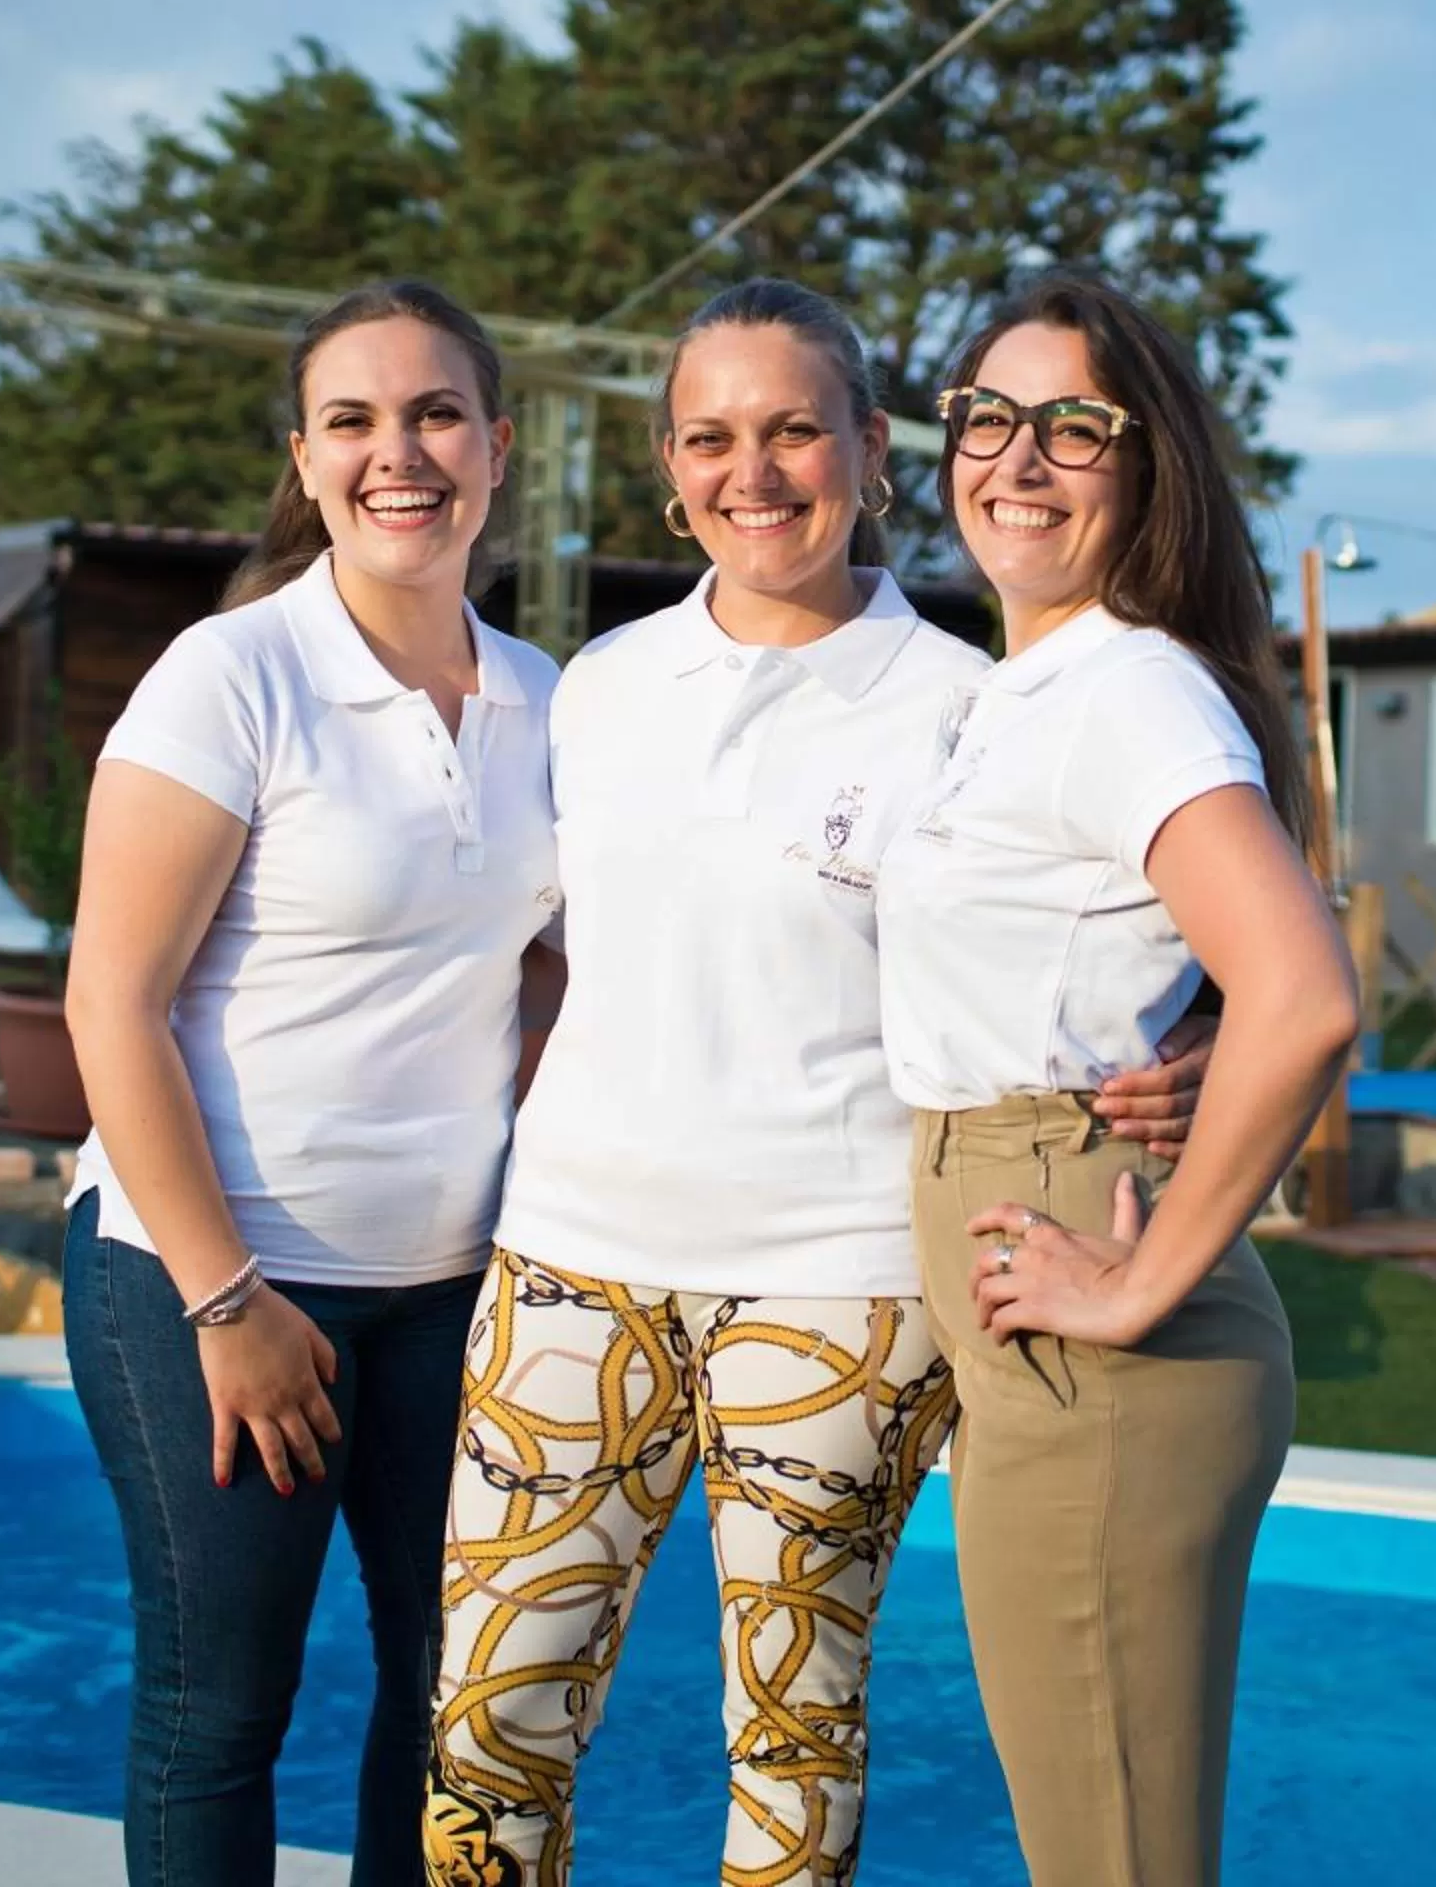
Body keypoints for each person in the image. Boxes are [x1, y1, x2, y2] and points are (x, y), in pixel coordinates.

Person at [421, 278, 1212, 1887]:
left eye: (795, 431)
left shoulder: (972, 704)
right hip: (569, 1261)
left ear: (870, 447)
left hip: (840, 1292)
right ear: (668, 463)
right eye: (713, 438)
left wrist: (1179, 1039)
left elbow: (1133, 917)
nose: (755, 473)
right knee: (483, 1743)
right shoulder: (596, 689)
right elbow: (552, 948)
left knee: (793, 1750)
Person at [60, 278, 564, 1887]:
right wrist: (229, 1302)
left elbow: (555, 961)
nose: (395, 453)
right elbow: (109, 1002)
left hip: (451, 1298)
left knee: (452, 1702)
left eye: (433, 414)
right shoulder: (232, 677)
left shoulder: (552, 702)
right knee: (221, 1712)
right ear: (305, 454)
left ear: (498, 445)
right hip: (207, 1277)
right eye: (352, 420)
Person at [875, 269, 1360, 1887]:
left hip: (1105, 1350)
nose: (1018, 455)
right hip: (1047, 1331)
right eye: (986, 417)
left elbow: (1304, 997)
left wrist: (1145, 1283)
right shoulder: (1030, 690)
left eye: (1074, 424)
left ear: (1147, 466)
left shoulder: (1127, 690)